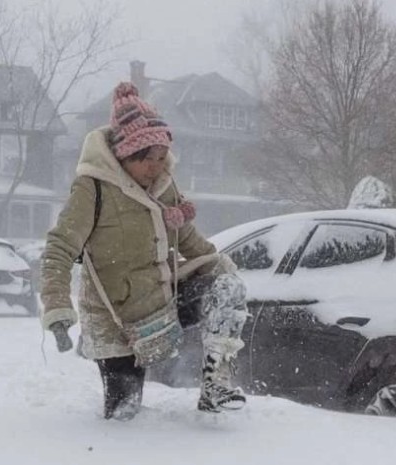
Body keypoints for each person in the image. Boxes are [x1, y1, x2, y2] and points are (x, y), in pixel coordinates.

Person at [40, 82, 249, 421]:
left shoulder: (163, 187)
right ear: (125, 155)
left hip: (163, 300)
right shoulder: (92, 188)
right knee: (124, 414)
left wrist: (224, 268)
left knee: (226, 285)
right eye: (146, 159)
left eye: (161, 156)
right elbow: (59, 248)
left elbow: (190, 241)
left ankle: (216, 385)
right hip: (116, 318)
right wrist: (57, 306)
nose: (156, 166)